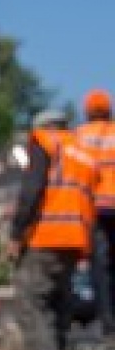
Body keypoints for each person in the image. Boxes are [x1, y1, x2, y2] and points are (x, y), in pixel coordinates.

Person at [10, 109, 99, 350]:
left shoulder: (45, 142)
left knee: (33, 299)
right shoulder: (83, 152)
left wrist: (17, 234)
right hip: (76, 238)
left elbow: (32, 190)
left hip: (45, 235)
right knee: (61, 299)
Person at [75, 89, 115, 334]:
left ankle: (109, 323)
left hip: (95, 207)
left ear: (87, 112)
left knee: (101, 268)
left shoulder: (78, 136)